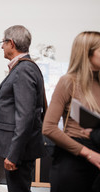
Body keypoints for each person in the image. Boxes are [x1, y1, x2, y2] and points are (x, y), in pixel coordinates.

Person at [42, 31, 100, 192]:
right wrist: (88, 154)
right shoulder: (69, 82)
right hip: (74, 159)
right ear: (86, 53)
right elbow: (49, 128)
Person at [0, 25, 46, 192]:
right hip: (19, 148)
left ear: (11, 43)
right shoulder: (24, 67)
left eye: (3, 42)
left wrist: (13, 154)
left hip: (18, 151)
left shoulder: (24, 70)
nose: (2, 46)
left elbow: (25, 117)